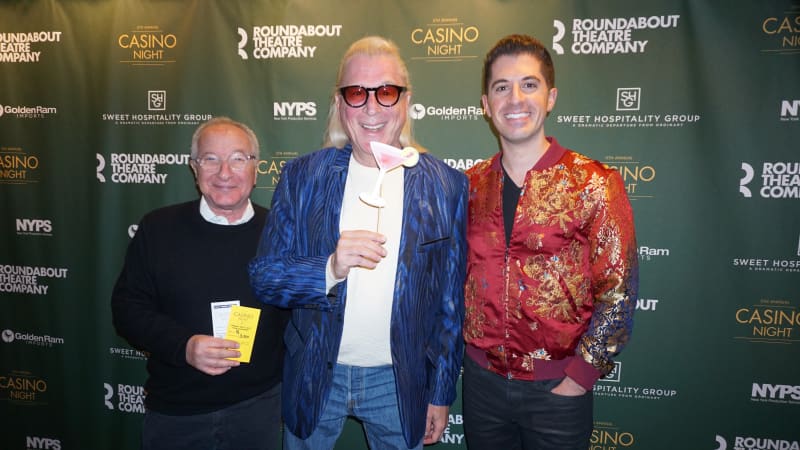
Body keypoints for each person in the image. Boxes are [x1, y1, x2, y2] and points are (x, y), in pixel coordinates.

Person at [249, 36, 467, 450]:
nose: (371, 107)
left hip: (397, 380)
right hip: (315, 371)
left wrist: (440, 392)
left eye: (386, 92)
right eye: (356, 93)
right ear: (339, 103)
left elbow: (450, 304)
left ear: (405, 101)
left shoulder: (446, 186)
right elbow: (264, 277)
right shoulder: (303, 177)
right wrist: (329, 267)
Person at [462, 34, 639, 450]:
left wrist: (580, 378)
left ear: (551, 96)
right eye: (501, 87)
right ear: (486, 105)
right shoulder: (467, 186)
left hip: (558, 392)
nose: (515, 98)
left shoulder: (594, 183)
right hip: (481, 387)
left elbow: (619, 292)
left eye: (529, 84)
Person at [111, 117, 289, 450]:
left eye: (238, 158)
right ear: (194, 167)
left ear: (256, 167)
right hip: (176, 411)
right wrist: (185, 346)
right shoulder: (158, 228)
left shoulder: (281, 232)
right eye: (210, 159)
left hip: (259, 409)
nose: (224, 172)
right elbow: (127, 310)